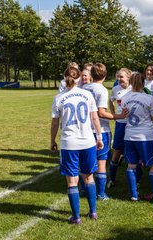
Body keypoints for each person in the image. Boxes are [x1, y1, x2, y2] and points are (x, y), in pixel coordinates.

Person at [50, 66, 103, 224]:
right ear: (79, 77)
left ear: (64, 78)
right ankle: (93, 212)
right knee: (89, 177)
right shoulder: (87, 95)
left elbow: (54, 123)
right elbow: (95, 119)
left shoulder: (59, 97)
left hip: (69, 143)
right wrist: (99, 137)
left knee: (72, 181)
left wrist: (52, 141)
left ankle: (76, 217)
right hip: (88, 141)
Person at [83, 63, 126, 200]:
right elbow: (101, 113)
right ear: (105, 75)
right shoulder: (101, 90)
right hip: (100, 129)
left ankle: (84, 189)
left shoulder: (84, 87)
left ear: (91, 75)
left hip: (85, 130)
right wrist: (118, 116)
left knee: (86, 160)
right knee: (101, 162)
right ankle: (101, 193)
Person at [121, 72, 153, 202]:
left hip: (129, 135)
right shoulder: (149, 98)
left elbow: (124, 114)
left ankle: (133, 195)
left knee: (131, 165)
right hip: (146, 136)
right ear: (143, 83)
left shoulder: (125, 97)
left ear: (131, 83)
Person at [107, 68, 132, 188]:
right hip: (120, 124)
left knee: (132, 153)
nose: (119, 79)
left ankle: (135, 180)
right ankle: (112, 179)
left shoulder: (134, 89)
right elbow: (110, 101)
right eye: (118, 76)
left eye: (121, 76)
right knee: (116, 152)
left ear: (128, 77)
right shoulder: (115, 89)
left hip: (132, 125)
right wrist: (114, 116)